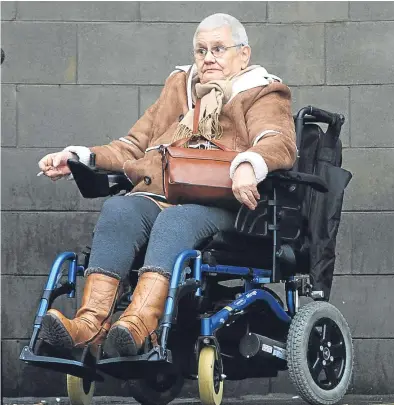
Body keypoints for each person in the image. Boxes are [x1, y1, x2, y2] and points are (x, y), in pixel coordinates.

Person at [38, 13, 297, 357]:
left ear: (243, 54)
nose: (208, 58)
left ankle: (140, 326)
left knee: (175, 221)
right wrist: (78, 156)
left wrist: (249, 164)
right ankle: (89, 325)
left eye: (219, 49)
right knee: (120, 208)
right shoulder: (179, 87)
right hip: (163, 193)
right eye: (201, 50)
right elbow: (133, 145)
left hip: (222, 204)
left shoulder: (261, 91)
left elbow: (277, 141)